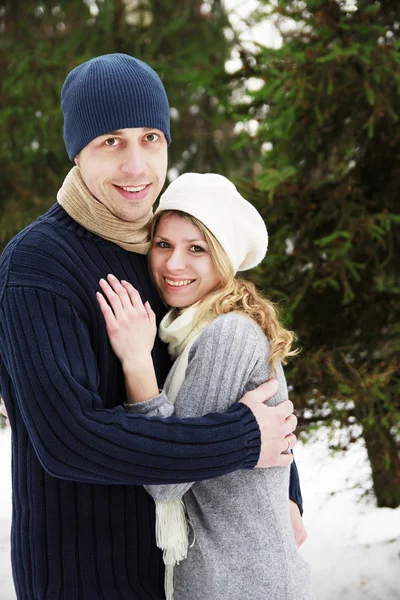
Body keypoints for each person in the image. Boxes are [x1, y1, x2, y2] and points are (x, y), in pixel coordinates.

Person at [0, 54, 301, 600]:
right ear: (77, 152)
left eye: (151, 137)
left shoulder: (161, 249)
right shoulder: (38, 266)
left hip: (177, 569)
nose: (138, 166)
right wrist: (244, 438)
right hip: (83, 574)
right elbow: (69, 442)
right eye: (111, 142)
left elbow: (230, 373)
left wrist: (284, 486)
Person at [96, 173, 312, 600]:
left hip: (242, 583)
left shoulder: (227, 334)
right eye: (163, 245)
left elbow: (166, 478)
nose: (174, 264)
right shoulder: (188, 329)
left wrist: (137, 363)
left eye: (197, 248)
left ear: (225, 258)